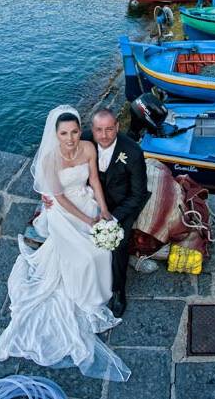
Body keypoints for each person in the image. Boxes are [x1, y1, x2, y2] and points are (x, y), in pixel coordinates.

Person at [0, 105, 130, 382]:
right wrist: (87, 220)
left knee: (102, 250)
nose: (70, 138)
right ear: (56, 135)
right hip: (63, 213)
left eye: (74, 132)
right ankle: (84, 294)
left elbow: (93, 180)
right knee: (86, 255)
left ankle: (100, 292)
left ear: (80, 131)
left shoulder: (88, 149)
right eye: (63, 133)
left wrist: (103, 212)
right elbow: (60, 198)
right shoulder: (49, 159)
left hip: (87, 202)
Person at [82, 108, 149, 318]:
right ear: (92, 129)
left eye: (109, 129)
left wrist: (114, 217)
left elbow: (137, 194)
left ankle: (119, 290)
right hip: (92, 199)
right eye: (99, 130)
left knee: (118, 245)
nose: (104, 135)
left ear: (118, 127)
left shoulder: (133, 152)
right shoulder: (84, 140)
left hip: (123, 205)